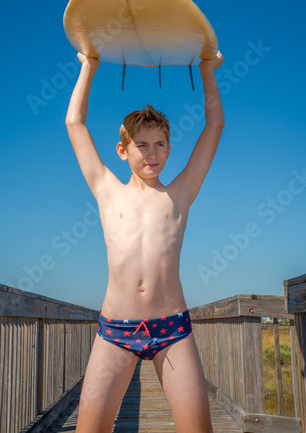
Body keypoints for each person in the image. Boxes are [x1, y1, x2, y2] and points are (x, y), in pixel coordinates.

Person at [66, 50, 224, 433]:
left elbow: (214, 125)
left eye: (160, 144)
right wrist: (89, 66)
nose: (152, 153)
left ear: (170, 148)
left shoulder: (180, 193)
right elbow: (74, 122)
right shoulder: (107, 191)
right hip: (115, 331)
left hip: (173, 329)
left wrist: (206, 70)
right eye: (142, 144)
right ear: (123, 150)